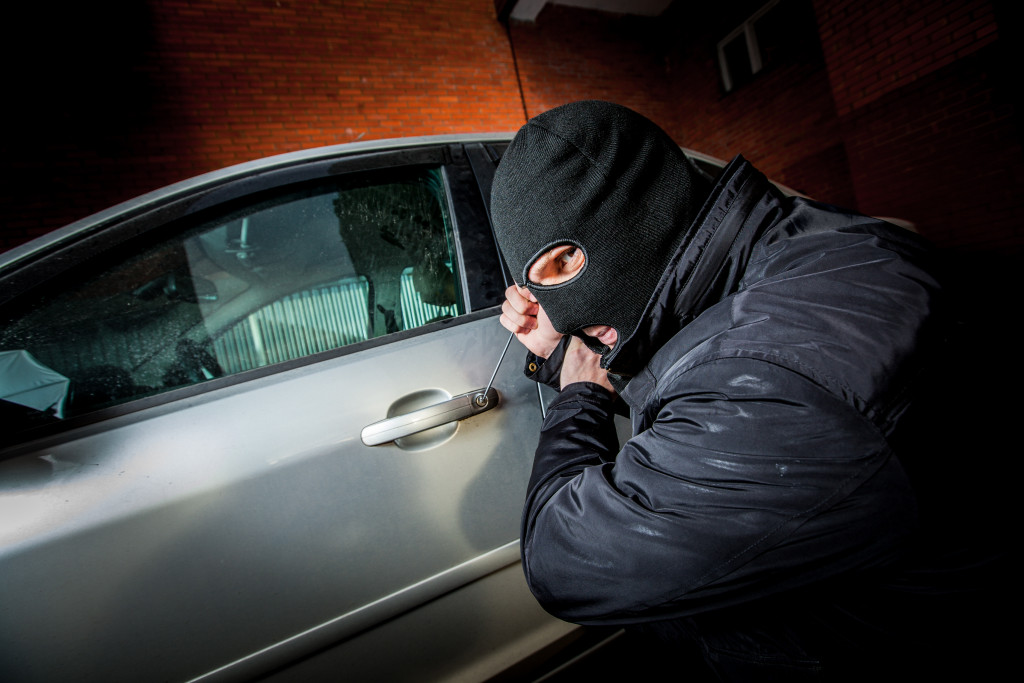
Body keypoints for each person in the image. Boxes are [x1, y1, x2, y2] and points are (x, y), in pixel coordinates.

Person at [490, 101, 1008, 680]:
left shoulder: (773, 377)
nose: (562, 310)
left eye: (565, 262)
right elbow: (685, 358)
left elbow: (567, 563)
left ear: (640, 214)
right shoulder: (789, 247)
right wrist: (581, 341)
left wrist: (579, 390)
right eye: (539, 280)